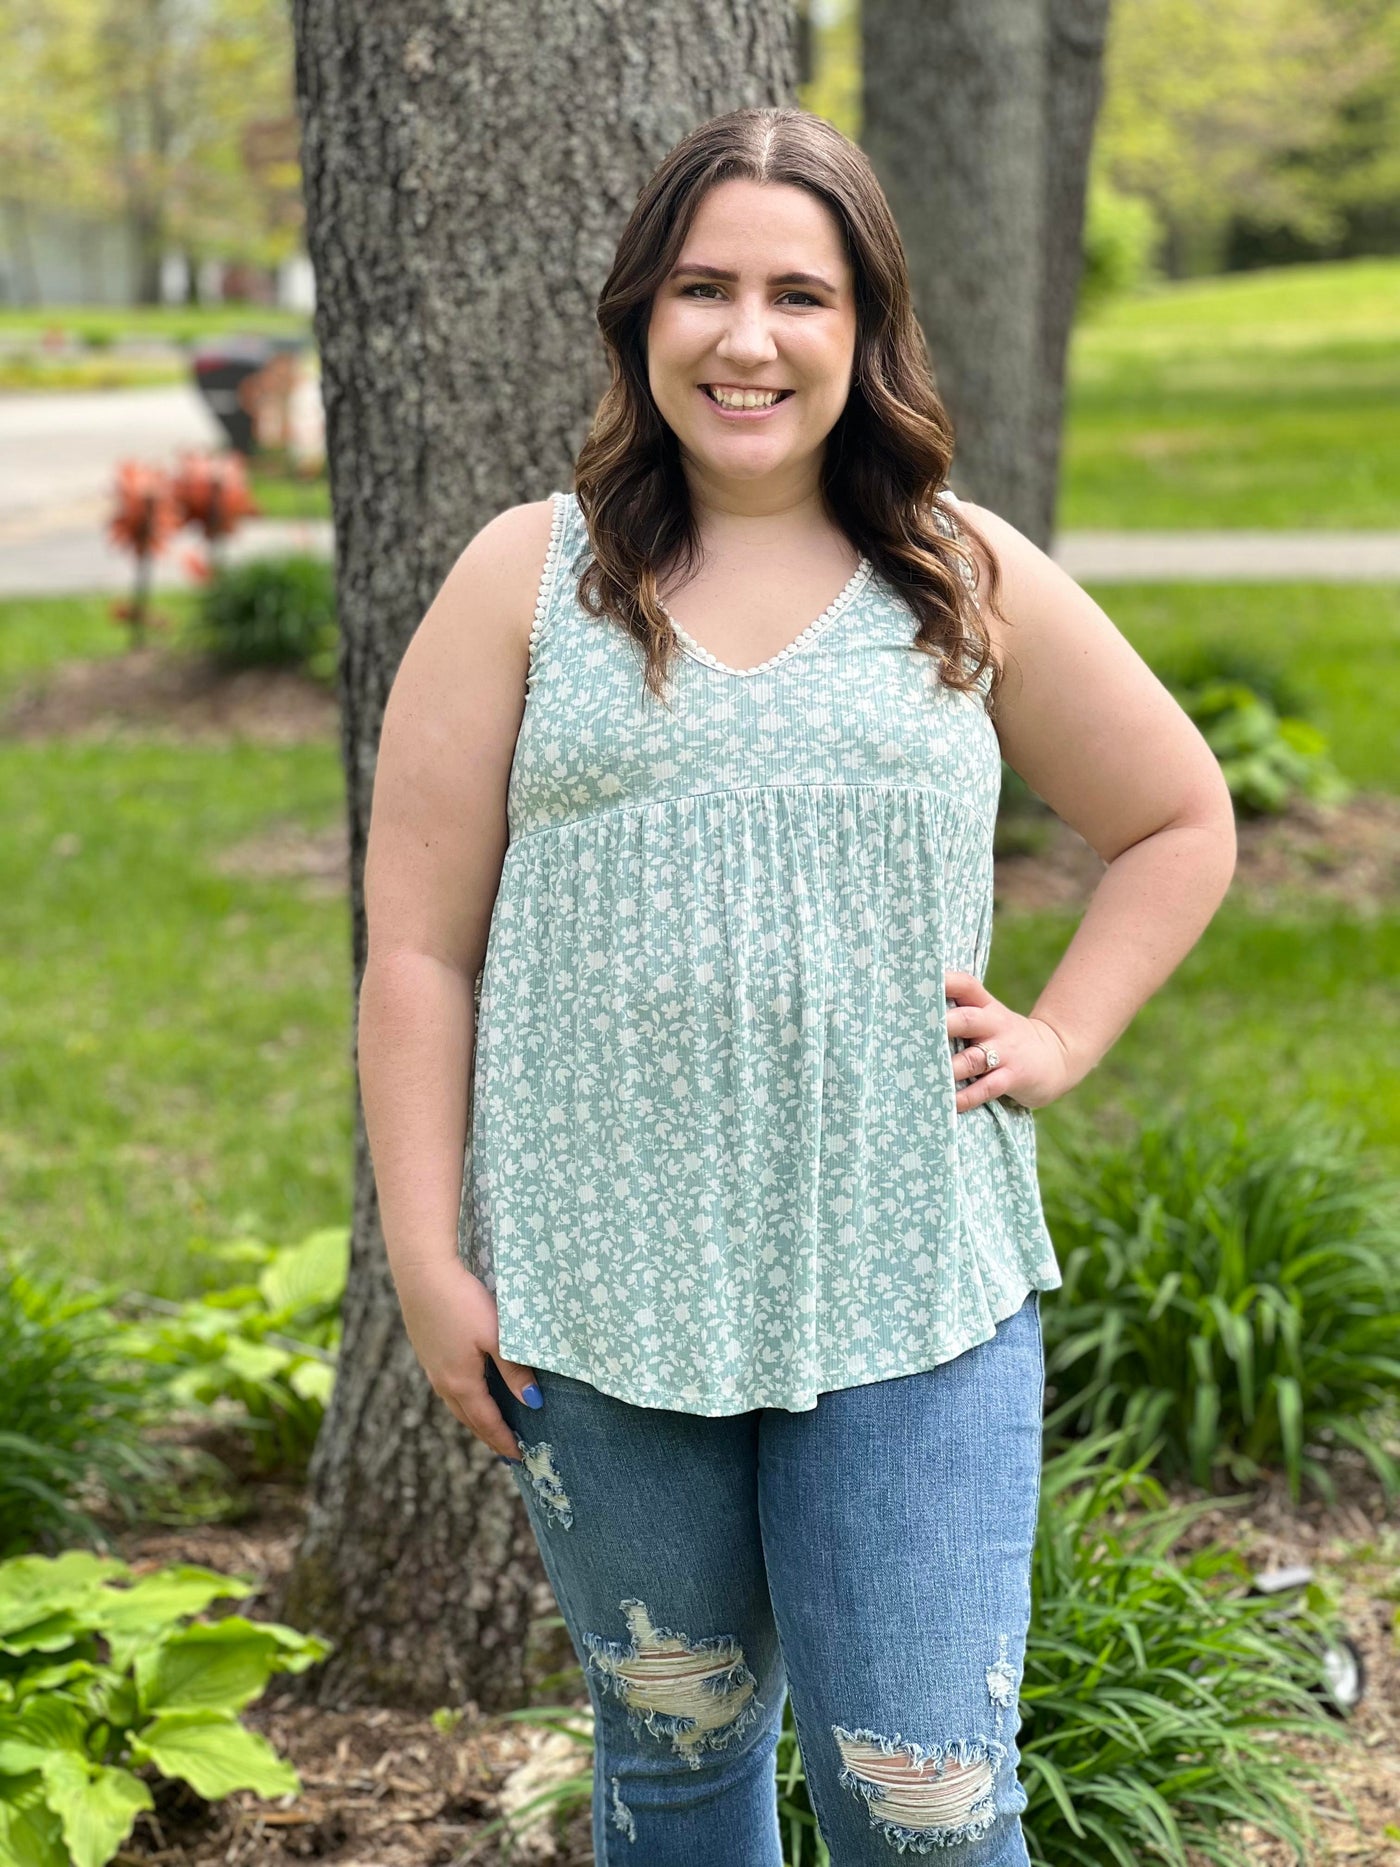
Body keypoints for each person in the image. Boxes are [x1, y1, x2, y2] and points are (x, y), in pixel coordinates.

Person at [358, 106, 1236, 1866]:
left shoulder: (960, 577)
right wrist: (428, 1248)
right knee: (673, 1763)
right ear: (639, 317)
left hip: (911, 1284)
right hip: (600, 1305)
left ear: (865, 329)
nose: (746, 338)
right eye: (702, 288)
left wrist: (1061, 1035)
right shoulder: (523, 584)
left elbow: (1175, 817)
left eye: (797, 294)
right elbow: (418, 946)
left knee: (920, 1800)